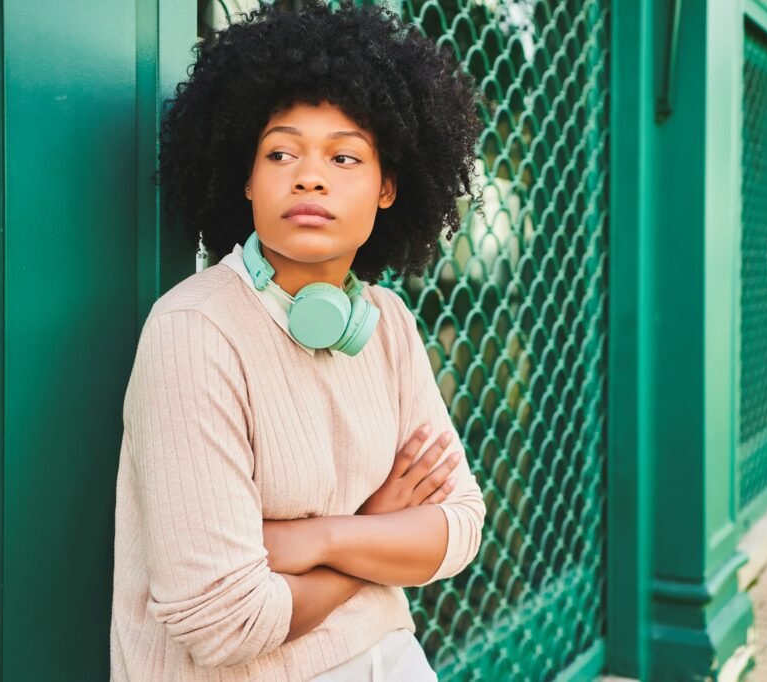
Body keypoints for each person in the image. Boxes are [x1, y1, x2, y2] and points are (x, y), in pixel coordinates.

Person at [109, 1, 488, 679]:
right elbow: (228, 624)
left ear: (388, 188)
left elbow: (458, 525)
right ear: (248, 179)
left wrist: (320, 536)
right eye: (280, 151)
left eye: (345, 156)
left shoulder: (388, 322)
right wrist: (379, 536)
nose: (309, 175)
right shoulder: (195, 332)